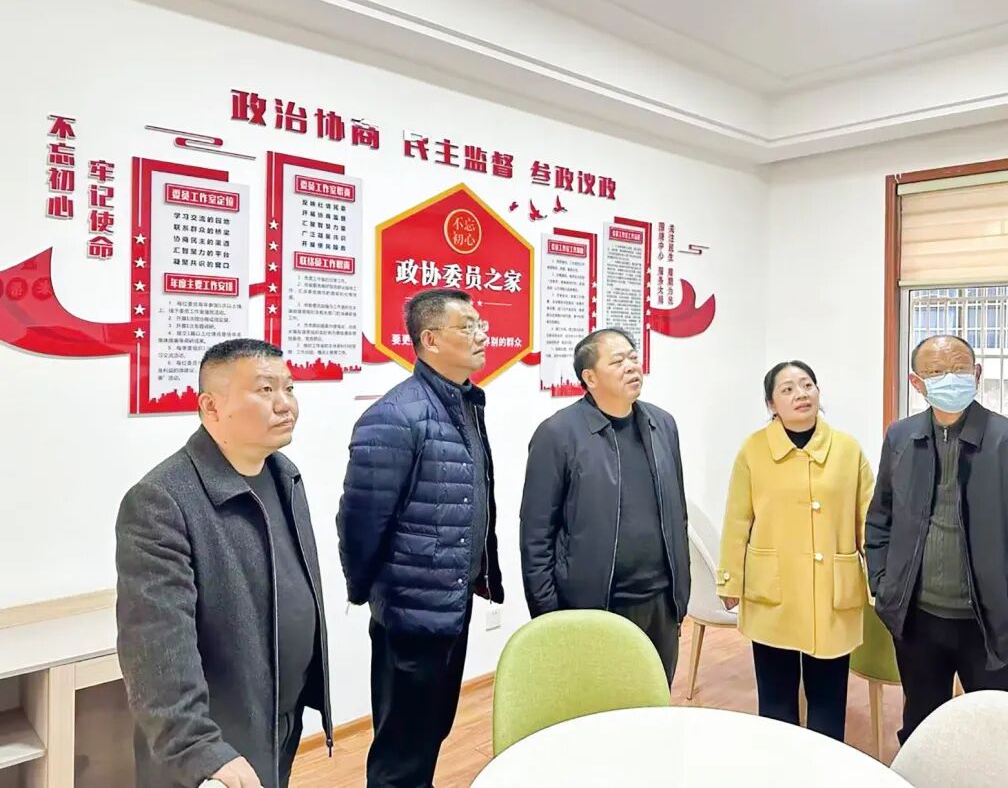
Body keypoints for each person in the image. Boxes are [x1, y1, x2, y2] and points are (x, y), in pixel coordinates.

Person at [115, 339, 332, 788]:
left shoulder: (284, 475)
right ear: (211, 407)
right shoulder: (161, 500)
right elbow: (155, 649)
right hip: (214, 748)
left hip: (278, 722)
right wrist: (199, 749)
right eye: (265, 390)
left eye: (289, 388)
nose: (285, 404)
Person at [337, 289, 503, 788]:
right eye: (467, 326)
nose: (481, 334)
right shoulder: (396, 415)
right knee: (401, 751)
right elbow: (360, 521)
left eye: (480, 324)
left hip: (450, 602)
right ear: (429, 340)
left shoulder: (464, 402)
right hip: (411, 612)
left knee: (430, 732)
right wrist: (369, 592)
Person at [866, 334, 1008, 743]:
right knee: (924, 730)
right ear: (917, 382)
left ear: (976, 374)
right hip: (918, 620)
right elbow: (881, 518)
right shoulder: (901, 437)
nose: (950, 379)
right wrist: (883, 586)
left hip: (992, 622)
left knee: (1002, 735)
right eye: (937, 372)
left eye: (959, 369)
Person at [520, 327, 690, 684]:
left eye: (633, 357)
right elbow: (536, 535)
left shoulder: (662, 424)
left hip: (661, 602)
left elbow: (679, 514)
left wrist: (681, 593)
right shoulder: (558, 434)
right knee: (600, 704)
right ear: (590, 377)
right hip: (596, 606)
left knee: (655, 700)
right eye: (617, 361)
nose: (631, 366)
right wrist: (549, 616)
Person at [716, 360, 873, 741]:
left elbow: (869, 519)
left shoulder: (847, 450)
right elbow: (737, 520)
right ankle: (778, 765)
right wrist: (730, 580)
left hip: (832, 592)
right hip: (774, 592)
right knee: (776, 701)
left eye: (807, 385)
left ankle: (825, 766)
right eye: (787, 389)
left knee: (828, 699)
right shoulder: (753, 450)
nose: (800, 394)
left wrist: (879, 580)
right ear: (771, 404)